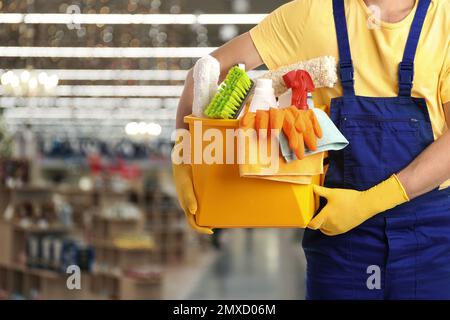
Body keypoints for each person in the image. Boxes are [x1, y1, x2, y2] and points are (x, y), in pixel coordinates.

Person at [173, 0, 450, 299]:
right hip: (338, 235)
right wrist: (186, 158)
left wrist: (373, 201)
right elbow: (205, 72)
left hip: (431, 235)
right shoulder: (309, 14)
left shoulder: (445, 20)